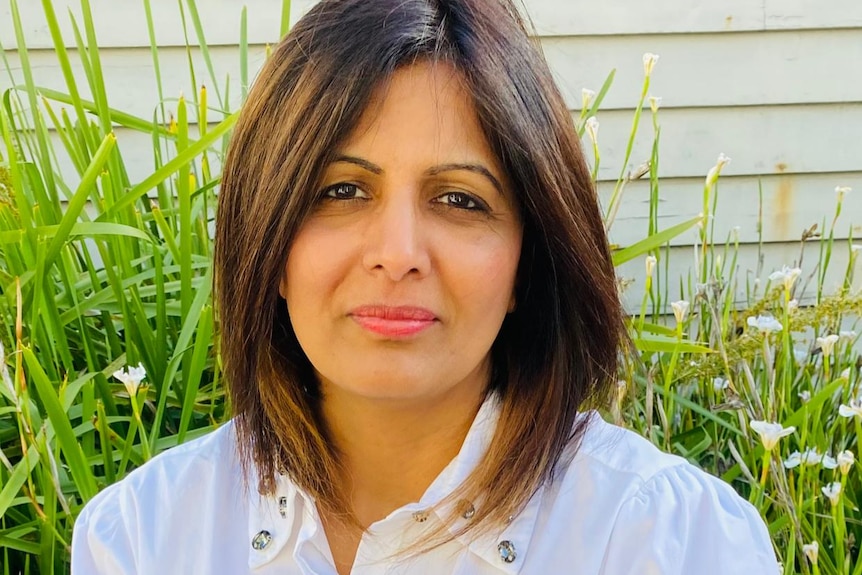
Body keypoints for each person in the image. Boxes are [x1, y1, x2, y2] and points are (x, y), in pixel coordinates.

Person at [71, 0, 779, 573]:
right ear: (270, 240)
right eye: (342, 190)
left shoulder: (669, 540)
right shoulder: (141, 538)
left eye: (461, 199)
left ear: (526, 263)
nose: (398, 253)